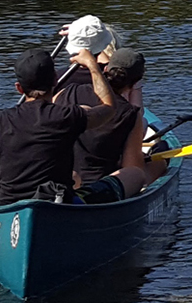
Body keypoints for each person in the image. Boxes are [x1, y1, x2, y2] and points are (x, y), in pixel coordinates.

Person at [0, 48, 143, 205]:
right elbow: (109, 107)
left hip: (9, 205)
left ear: (19, 88)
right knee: (135, 174)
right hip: (57, 204)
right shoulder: (70, 116)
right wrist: (93, 67)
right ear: (55, 80)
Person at [55, 47, 159, 195]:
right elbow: (132, 167)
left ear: (106, 69)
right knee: (147, 169)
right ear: (134, 83)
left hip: (62, 177)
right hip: (97, 186)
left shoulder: (66, 92)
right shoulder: (130, 114)